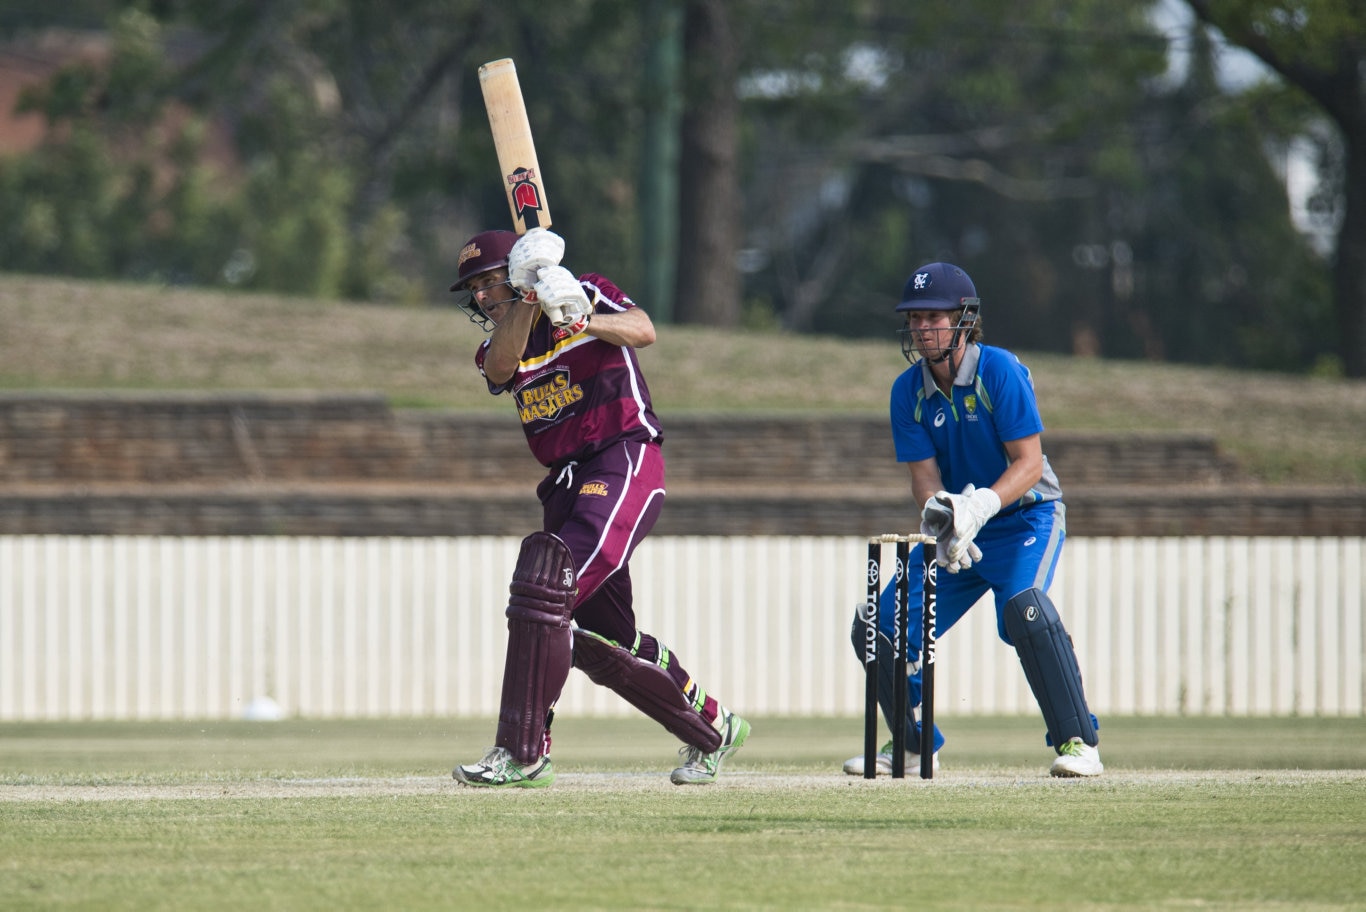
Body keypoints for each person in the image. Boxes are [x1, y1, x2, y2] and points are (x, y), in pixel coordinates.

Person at [447, 226, 749, 788]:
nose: (482, 298)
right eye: (477, 291)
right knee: (610, 640)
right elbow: (501, 368)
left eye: (487, 284)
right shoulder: (497, 342)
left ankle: (523, 750)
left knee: (545, 590)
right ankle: (713, 729)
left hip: (621, 458)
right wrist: (530, 298)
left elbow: (643, 330)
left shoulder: (585, 289)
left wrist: (581, 318)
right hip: (564, 485)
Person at [843, 261, 1103, 778]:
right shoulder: (907, 392)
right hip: (960, 529)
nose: (920, 329)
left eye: (931, 317)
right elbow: (924, 477)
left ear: (964, 319)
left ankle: (1078, 742)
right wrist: (943, 518)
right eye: (913, 318)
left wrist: (980, 506)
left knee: (1025, 611)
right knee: (875, 623)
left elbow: (1029, 465)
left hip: (1026, 517)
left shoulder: (998, 371)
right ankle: (916, 745)